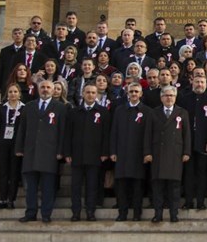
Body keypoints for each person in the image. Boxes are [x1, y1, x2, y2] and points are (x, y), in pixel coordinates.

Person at [14, 79, 65, 223]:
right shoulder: (29, 107)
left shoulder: (60, 108)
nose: (45, 89)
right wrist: (19, 148)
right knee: (30, 187)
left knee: (48, 187)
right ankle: (30, 213)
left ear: (54, 90)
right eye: (43, 87)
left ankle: (46, 214)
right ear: (38, 89)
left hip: (50, 153)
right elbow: (22, 129)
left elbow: (62, 131)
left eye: (48, 87)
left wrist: (61, 150)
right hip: (31, 152)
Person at [63, 84, 110, 221]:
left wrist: (105, 152)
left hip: (95, 156)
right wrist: (67, 153)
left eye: (93, 92)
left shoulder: (103, 112)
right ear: (82, 94)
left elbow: (106, 134)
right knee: (76, 187)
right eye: (87, 92)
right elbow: (67, 134)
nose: (90, 95)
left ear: (97, 95)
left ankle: (90, 212)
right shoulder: (73, 112)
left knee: (92, 186)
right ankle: (76, 212)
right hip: (76, 156)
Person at [149, 85, 191, 223]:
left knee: (174, 188)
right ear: (161, 97)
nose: (169, 98)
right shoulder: (154, 112)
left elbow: (187, 135)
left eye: (171, 95)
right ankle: (158, 214)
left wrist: (186, 152)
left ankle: (174, 214)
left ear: (175, 97)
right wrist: (147, 152)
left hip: (175, 154)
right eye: (166, 95)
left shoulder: (182, 112)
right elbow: (147, 135)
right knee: (158, 188)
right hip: (158, 154)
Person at [111, 83, 152, 221]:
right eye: (131, 91)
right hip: (122, 154)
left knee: (137, 187)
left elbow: (148, 134)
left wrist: (147, 152)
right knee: (121, 186)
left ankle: (136, 214)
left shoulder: (147, 111)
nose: (134, 94)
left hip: (138, 155)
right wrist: (113, 151)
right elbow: (114, 132)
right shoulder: (119, 110)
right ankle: (122, 213)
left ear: (141, 94)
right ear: (127, 93)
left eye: (136, 91)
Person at [180, 74, 207, 211]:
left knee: (201, 173)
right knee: (188, 173)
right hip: (188, 142)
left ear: (206, 84)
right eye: (197, 82)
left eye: (202, 82)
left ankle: (200, 201)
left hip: (204, 142)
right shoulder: (184, 99)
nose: (199, 84)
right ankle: (188, 201)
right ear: (192, 83)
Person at [0, 84, 24, 209]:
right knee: (3, 172)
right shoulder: (1, 107)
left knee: (14, 173)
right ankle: (3, 199)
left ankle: (11, 199)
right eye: (10, 92)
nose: (12, 94)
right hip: (3, 142)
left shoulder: (24, 108)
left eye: (15, 91)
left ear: (19, 94)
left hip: (16, 143)